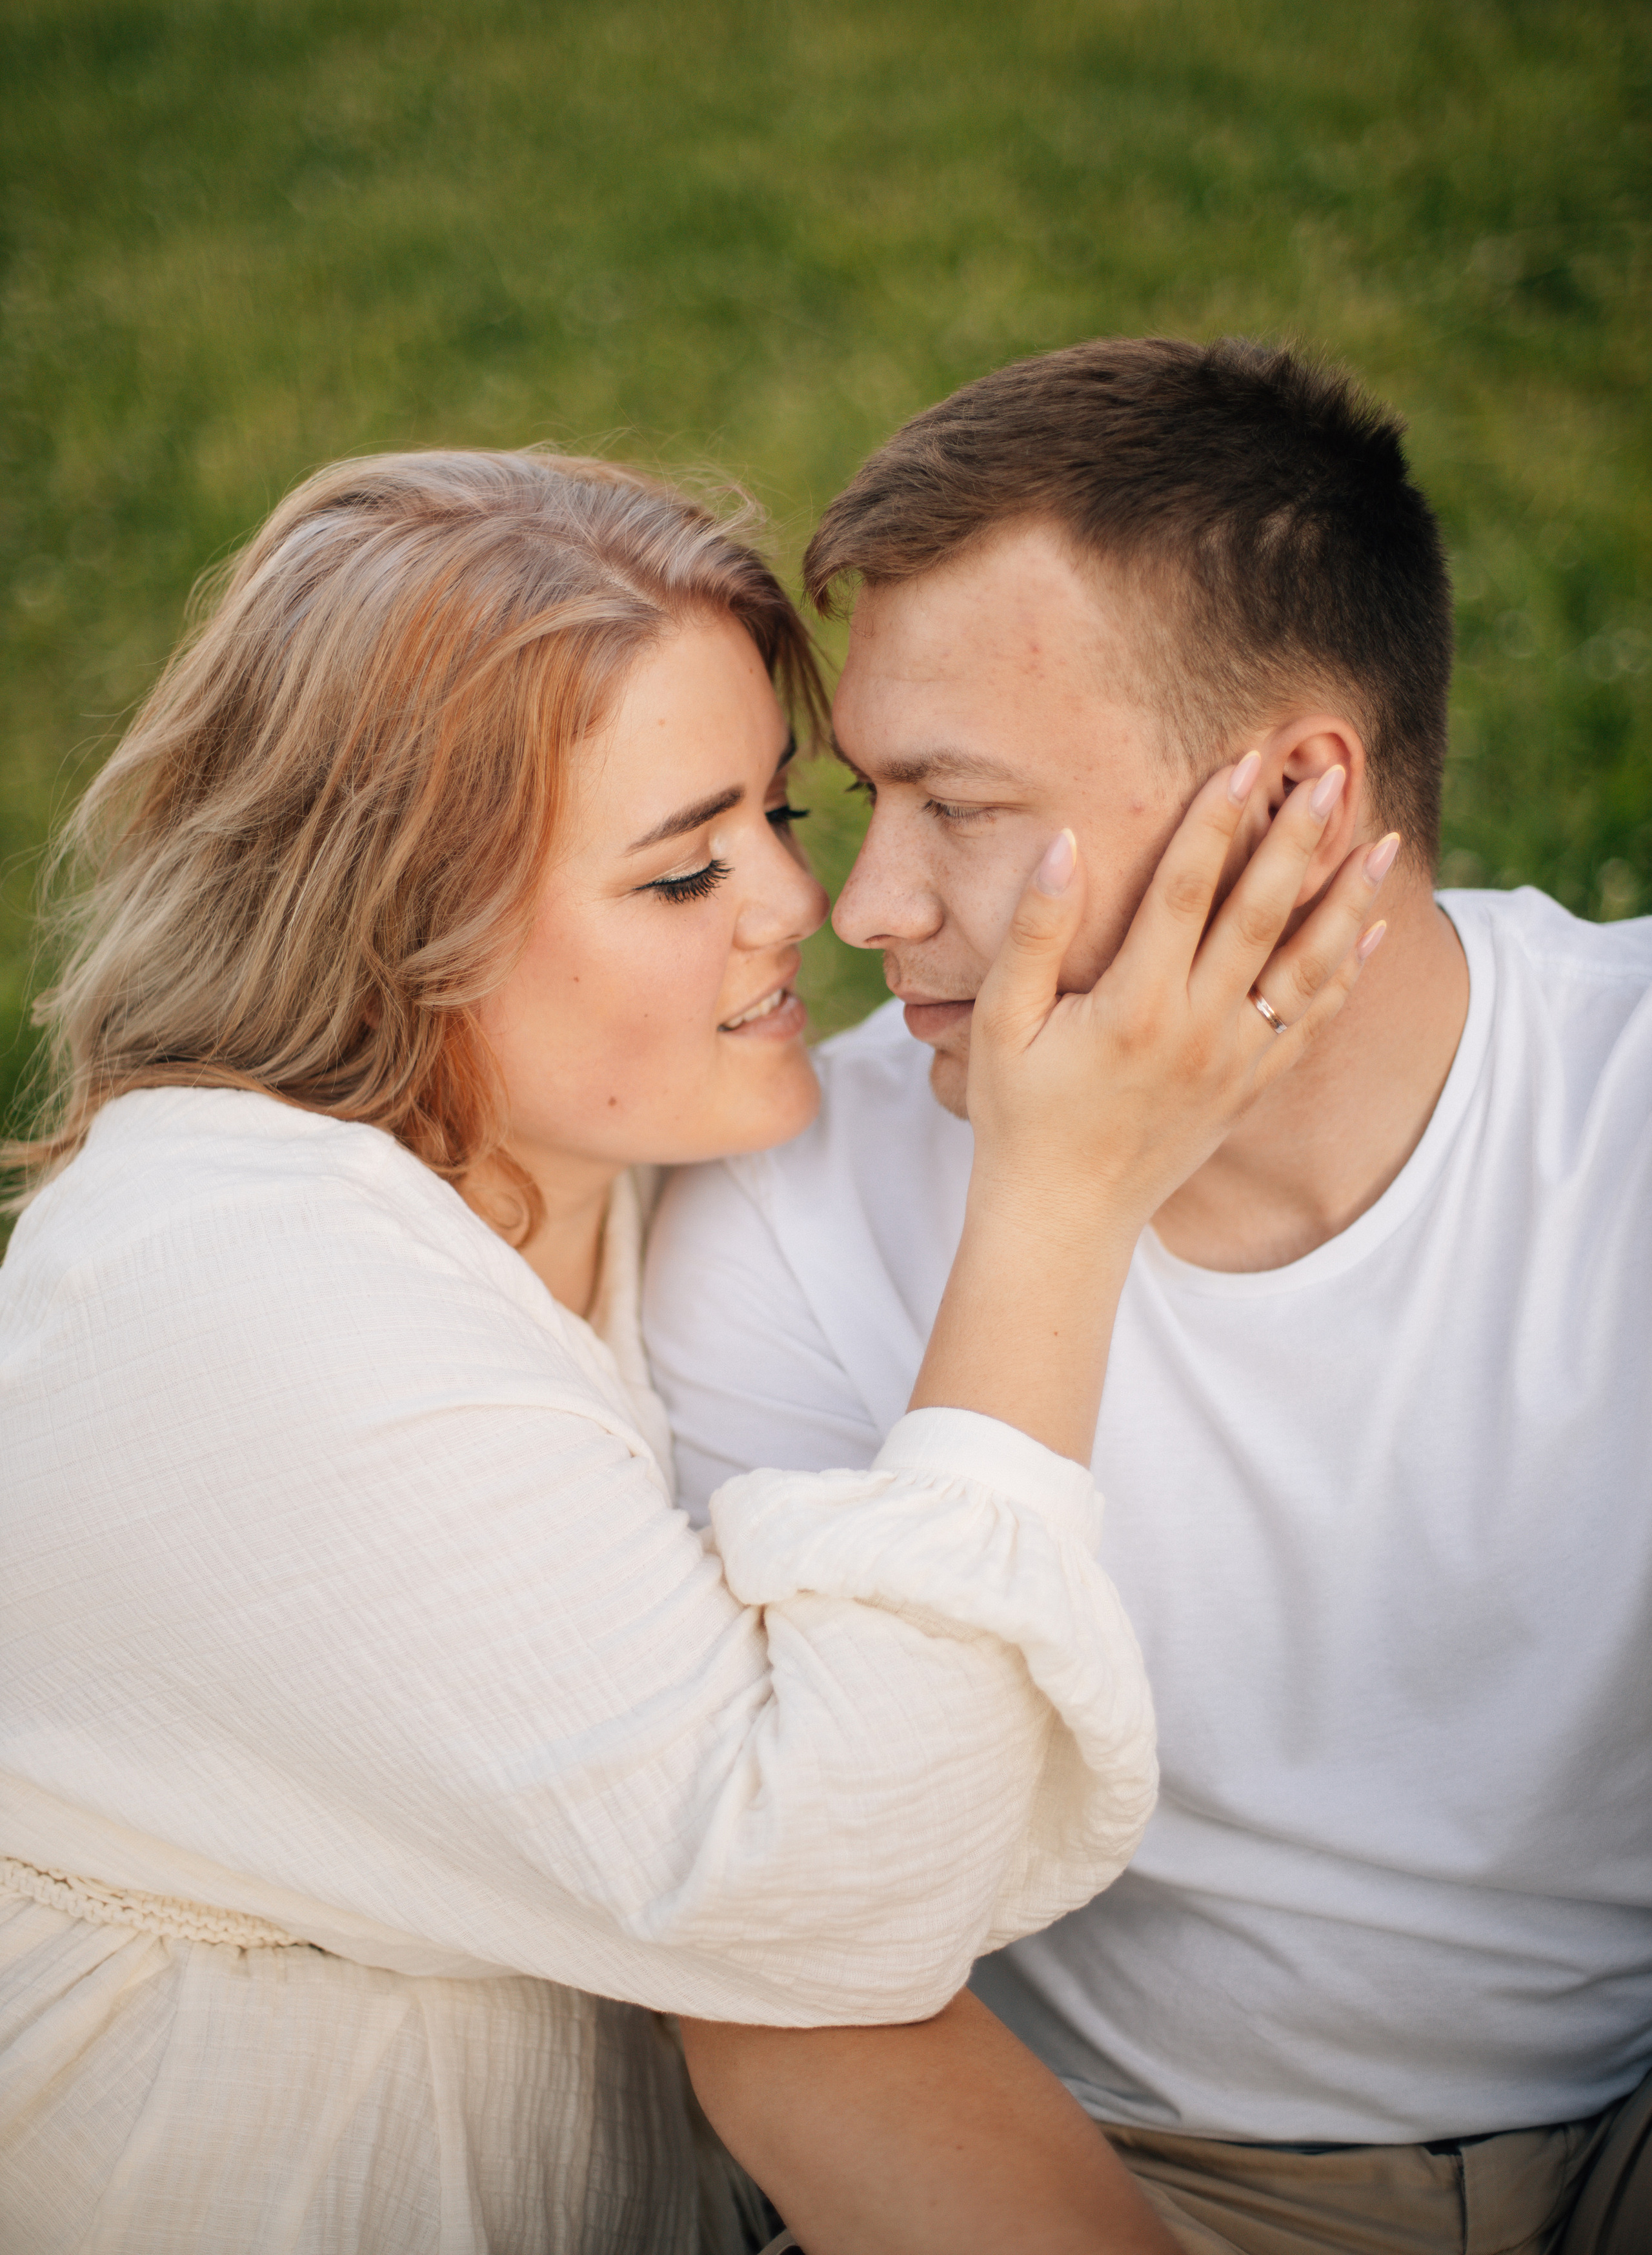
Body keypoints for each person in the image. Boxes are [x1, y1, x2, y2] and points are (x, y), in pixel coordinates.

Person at [0, 445, 1383, 2255]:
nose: (801, 908)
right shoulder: (232, 1289)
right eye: (678, 875)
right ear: (398, 929)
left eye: (777, 819)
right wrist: (1062, 1203)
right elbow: (831, 1898)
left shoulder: (616, 1189)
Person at [644, 339, 1652, 2255]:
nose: (866, 911)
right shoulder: (790, 1202)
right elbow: (796, 1973)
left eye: (955, 803)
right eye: (863, 799)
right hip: (1113, 2175)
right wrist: (1059, 1196)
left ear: (1291, 798)